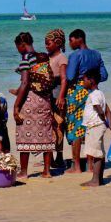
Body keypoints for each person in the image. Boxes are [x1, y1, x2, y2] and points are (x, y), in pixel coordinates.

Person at [65, 29, 108, 174]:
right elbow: (104, 75)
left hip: (77, 92)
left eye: (71, 40)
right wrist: (92, 81)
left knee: (75, 129)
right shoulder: (96, 54)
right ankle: (90, 166)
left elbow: (70, 76)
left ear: (79, 39)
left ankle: (76, 166)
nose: (69, 43)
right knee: (90, 127)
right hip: (92, 90)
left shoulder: (75, 55)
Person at [13, 33, 55, 179]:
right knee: (46, 132)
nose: (18, 50)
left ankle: (24, 172)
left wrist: (16, 106)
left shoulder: (26, 58)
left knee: (24, 132)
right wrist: (17, 91)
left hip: (31, 100)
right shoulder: (42, 57)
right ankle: (47, 171)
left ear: (22, 44)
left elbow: (25, 83)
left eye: (17, 46)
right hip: (45, 100)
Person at [80, 69, 111, 186]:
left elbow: (100, 110)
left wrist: (106, 123)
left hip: (95, 126)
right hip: (97, 126)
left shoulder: (94, 95)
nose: (82, 82)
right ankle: (99, 179)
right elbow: (108, 111)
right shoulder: (100, 94)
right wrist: (110, 125)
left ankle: (95, 180)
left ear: (91, 81)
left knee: (96, 153)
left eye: (84, 80)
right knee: (98, 153)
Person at [44, 29, 68, 167]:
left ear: (58, 43)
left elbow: (64, 79)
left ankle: (59, 156)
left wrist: (61, 96)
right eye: (45, 43)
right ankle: (50, 157)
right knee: (48, 126)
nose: (46, 46)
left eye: (49, 43)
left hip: (57, 95)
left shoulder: (62, 58)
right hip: (47, 97)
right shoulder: (47, 57)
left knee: (59, 126)